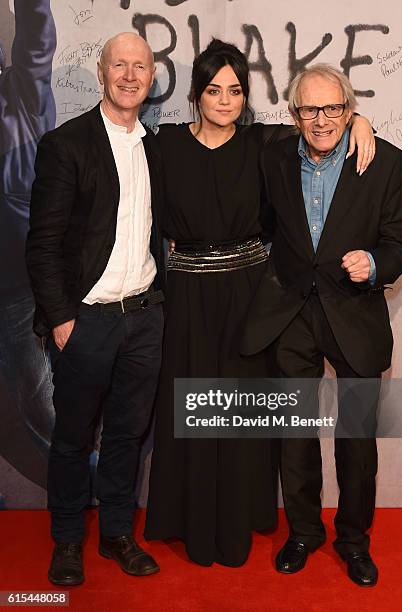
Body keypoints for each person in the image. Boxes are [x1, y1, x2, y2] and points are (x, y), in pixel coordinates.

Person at [144, 40, 375, 567]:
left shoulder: (264, 145)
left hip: (251, 297)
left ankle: (241, 517)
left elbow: (323, 128)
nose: (225, 101)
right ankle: (192, 519)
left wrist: (364, 123)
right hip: (189, 299)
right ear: (197, 95)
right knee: (193, 409)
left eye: (236, 90)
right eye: (213, 90)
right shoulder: (165, 146)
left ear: (246, 96)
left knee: (245, 418)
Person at [241, 63, 402, 585]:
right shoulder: (272, 157)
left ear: (349, 108)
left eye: (334, 108)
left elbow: (401, 241)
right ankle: (302, 531)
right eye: (310, 109)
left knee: (356, 438)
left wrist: (376, 264)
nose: (321, 120)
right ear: (293, 114)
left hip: (355, 314)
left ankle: (354, 541)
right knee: (293, 432)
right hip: (291, 314)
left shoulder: (385, 162)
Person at [26, 32, 165, 586]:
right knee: (73, 437)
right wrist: (62, 321)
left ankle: (116, 534)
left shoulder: (159, 147)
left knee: (128, 436)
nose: (129, 76)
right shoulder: (68, 144)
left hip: (145, 319)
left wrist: (358, 122)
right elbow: (43, 243)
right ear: (103, 72)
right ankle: (66, 541)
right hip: (86, 322)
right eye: (119, 65)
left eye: (140, 67)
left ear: (152, 79)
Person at [0, 0, 55, 490]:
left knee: (37, 401)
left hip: (18, 287)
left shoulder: (23, 98)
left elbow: (36, 38)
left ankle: (83, 483)